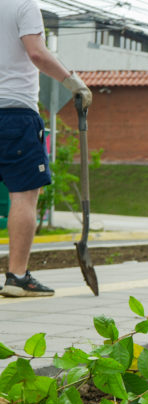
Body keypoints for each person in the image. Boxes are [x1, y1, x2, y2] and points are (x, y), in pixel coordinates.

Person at [0, 0, 92, 297]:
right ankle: (16, 276)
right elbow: (37, 53)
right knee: (24, 195)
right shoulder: (23, 5)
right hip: (14, 113)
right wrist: (72, 82)